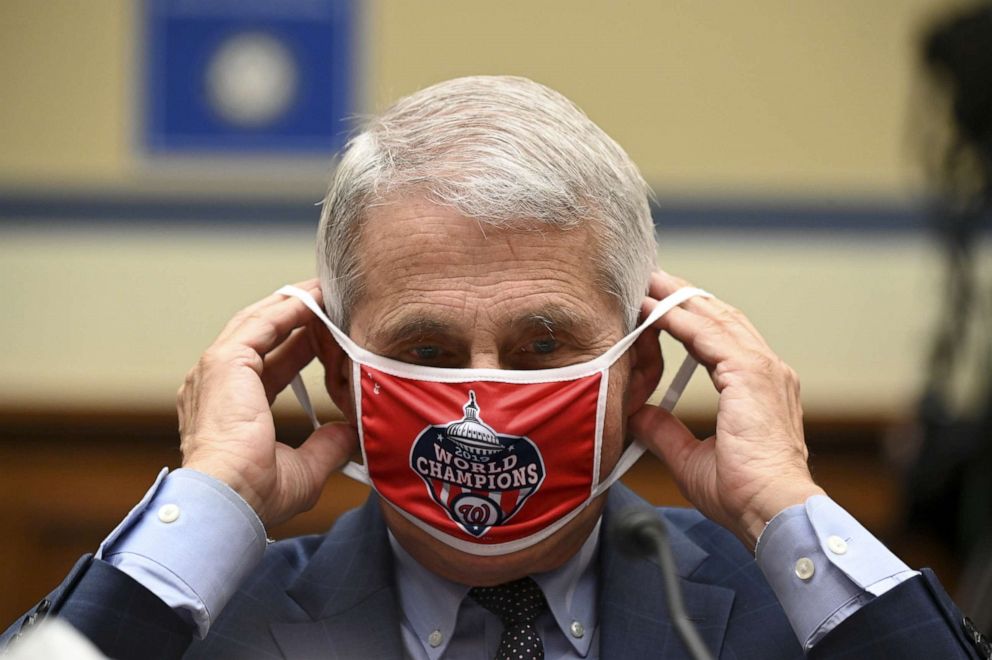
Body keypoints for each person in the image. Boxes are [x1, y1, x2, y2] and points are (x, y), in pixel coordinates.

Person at [3, 76, 988, 660]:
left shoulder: (793, 618)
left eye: (541, 346)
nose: (481, 398)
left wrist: (785, 510)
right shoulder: (189, 625)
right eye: (425, 352)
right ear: (339, 380)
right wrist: (211, 499)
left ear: (639, 370)